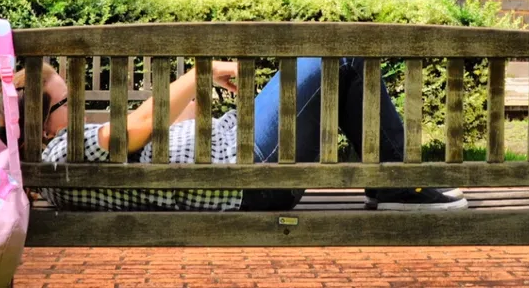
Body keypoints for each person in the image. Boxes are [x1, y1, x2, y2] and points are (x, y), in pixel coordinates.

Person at [38, 57, 466, 213]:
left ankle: (391, 181)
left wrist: (197, 95)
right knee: (342, 54)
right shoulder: (60, 155)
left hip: (238, 157)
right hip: (247, 172)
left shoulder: (70, 157)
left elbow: (169, 123)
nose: (74, 105)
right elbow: (140, 125)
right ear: (41, 127)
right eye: (63, 102)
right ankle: (398, 182)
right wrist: (201, 70)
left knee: (339, 62)